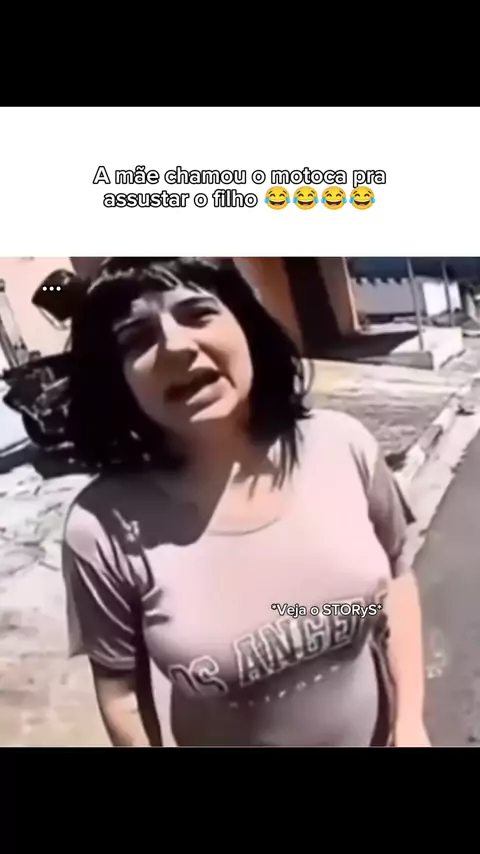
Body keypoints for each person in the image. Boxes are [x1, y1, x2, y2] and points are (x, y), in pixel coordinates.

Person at [43, 256, 429, 747]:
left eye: (197, 314)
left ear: (245, 324)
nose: (175, 346)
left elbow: (398, 579)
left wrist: (409, 723)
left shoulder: (344, 445)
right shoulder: (102, 527)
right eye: (137, 338)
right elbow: (122, 694)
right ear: (117, 378)